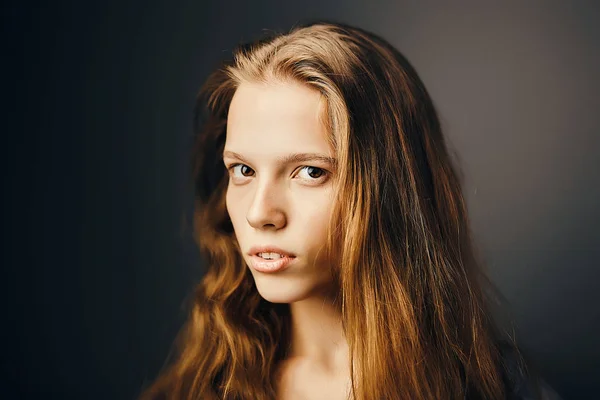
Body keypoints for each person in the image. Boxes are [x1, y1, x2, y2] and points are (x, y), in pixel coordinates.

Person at [140, 21, 560, 400]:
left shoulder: (496, 389)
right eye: (243, 170)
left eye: (309, 172)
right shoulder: (200, 386)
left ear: (391, 191)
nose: (259, 213)